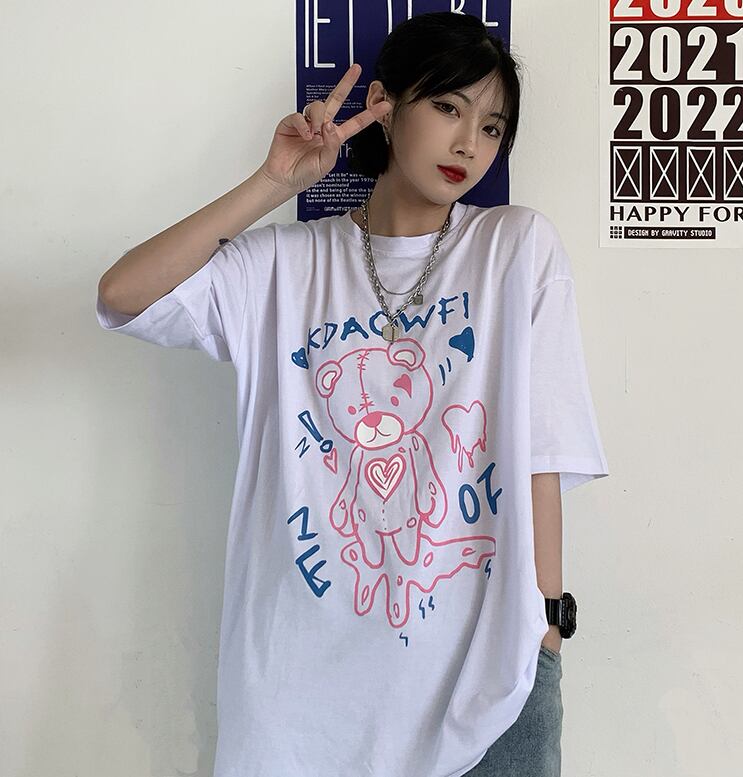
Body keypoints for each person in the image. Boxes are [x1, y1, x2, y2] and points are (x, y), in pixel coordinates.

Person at [96, 11, 608, 777]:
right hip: (300, 701)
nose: (469, 143)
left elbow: (543, 451)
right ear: (385, 104)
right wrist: (273, 184)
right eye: (447, 107)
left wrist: (546, 635)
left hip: (482, 686)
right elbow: (122, 294)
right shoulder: (286, 265)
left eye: (492, 126)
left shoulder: (515, 248)